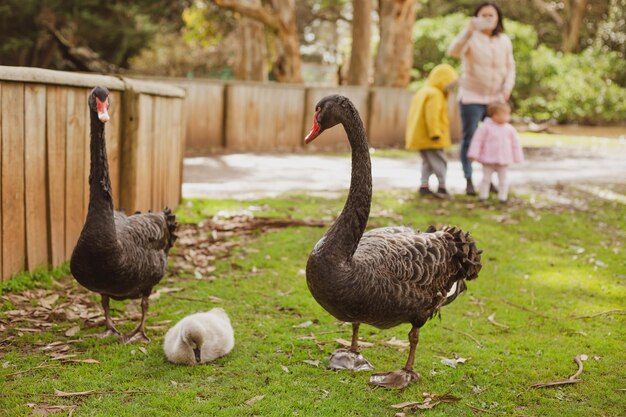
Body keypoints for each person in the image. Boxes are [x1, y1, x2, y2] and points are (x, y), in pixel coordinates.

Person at [447, 1, 516, 196]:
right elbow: (453, 51)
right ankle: (469, 179)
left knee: (494, 140)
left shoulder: (504, 40)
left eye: (491, 15)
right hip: (471, 97)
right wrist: (467, 31)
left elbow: (510, 67)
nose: (488, 19)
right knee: (470, 139)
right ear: (476, 17)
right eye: (483, 15)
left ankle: (489, 179)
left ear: (498, 18)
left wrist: (507, 88)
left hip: (495, 99)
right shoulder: (471, 37)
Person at [405, 64, 458, 197]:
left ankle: (424, 185)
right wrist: (435, 133)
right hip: (431, 136)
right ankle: (442, 186)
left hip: (420, 136)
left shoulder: (423, 91)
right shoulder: (435, 94)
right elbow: (432, 115)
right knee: (440, 161)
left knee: (428, 162)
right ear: (443, 81)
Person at [467, 101, 524, 203]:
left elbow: (515, 144)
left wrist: (517, 157)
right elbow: (477, 141)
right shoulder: (485, 128)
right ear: (495, 115)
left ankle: (503, 198)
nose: (508, 116)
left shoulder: (509, 129)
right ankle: (483, 196)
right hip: (488, 159)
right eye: (505, 114)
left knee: (503, 180)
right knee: (486, 179)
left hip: (504, 160)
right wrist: (473, 154)